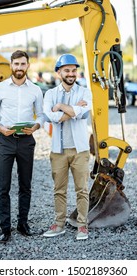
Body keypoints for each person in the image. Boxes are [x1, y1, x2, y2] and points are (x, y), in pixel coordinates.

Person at [0, 50, 44, 242]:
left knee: (25, 186)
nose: (19, 68)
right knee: (3, 187)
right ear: (11, 65)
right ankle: (5, 228)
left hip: (26, 141)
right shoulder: (0, 88)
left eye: (23, 64)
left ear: (28, 65)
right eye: (16, 64)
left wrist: (35, 127)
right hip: (6, 141)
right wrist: (0, 127)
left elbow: (42, 115)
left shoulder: (35, 89)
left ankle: (23, 224)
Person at [43, 54, 92, 240]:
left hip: (80, 150)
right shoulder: (49, 94)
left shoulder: (85, 93)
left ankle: (82, 226)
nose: (71, 74)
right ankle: (59, 224)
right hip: (59, 151)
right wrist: (73, 109)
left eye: (73, 70)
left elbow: (83, 114)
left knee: (82, 189)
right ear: (58, 73)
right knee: (59, 189)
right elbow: (51, 118)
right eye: (66, 70)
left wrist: (61, 106)